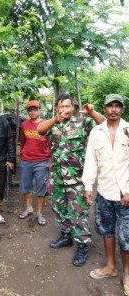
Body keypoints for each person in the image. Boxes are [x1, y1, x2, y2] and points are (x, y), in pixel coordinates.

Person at [37, 93, 105, 267]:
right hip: (57, 177)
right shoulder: (53, 124)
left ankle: (82, 246)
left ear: (73, 107)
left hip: (76, 179)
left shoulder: (83, 122)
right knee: (59, 209)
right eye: (61, 107)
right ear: (57, 108)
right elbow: (40, 130)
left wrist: (92, 112)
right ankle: (66, 236)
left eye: (67, 106)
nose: (64, 110)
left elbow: (104, 124)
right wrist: (55, 119)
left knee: (78, 213)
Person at [82, 94, 129, 296]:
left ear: (123, 110)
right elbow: (91, 160)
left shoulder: (128, 131)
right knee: (106, 230)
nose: (114, 110)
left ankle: (127, 274)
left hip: (125, 193)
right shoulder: (96, 132)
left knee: (126, 236)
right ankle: (111, 267)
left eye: (118, 106)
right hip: (104, 191)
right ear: (105, 108)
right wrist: (88, 186)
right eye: (110, 106)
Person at [19, 100, 50, 225]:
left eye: (35, 109)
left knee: (41, 188)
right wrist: (22, 155)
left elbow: (51, 143)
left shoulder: (47, 124)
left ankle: (40, 213)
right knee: (26, 187)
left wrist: (50, 160)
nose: (33, 112)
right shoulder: (24, 125)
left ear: (40, 110)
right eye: (30, 110)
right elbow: (22, 141)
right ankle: (28, 208)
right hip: (27, 160)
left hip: (42, 161)